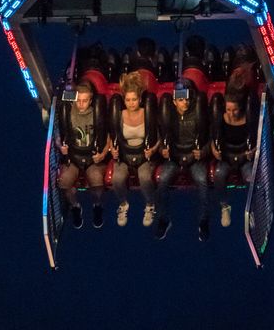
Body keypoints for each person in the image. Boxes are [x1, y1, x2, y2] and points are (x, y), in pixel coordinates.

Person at [155, 80, 210, 241]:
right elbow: (158, 137)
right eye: (180, 99)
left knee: (202, 180)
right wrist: (161, 150)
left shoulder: (199, 113)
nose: (184, 102)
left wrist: (203, 151)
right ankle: (164, 219)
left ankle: (204, 221)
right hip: (174, 157)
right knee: (163, 179)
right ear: (174, 101)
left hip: (194, 157)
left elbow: (210, 137)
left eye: (186, 98)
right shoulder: (167, 114)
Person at [57, 81, 109, 229]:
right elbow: (58, 135)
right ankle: (75, 206)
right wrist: (61, 146)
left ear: (90, 101)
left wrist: (103, 153)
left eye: (84, 101)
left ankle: (97, 205)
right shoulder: (68, 112)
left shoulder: (97, 114)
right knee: (64, 182)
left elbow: (109, 136)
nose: (81, 104)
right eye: (78, 100)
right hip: (74, 156)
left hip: (92, 157)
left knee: (97, 181)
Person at [109, 72, 159, 227]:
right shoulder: (120, 115)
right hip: (125, 155)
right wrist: (112, 149)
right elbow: (112, 136)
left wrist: (153, 150)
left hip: (144, 155)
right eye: (128, 100)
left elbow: (158, 138)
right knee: (117, 179)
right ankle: (123, 204)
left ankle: (150, 205)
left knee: (144, 177)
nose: (131, 103)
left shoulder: (147, 114)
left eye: (134, 99)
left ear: (140, 99)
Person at [210, 84, 256, 227]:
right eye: (228, 109)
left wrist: (253, 151)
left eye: (234, 110)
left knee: (250, 177)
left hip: (244, 156)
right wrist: (214, 149)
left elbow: (256, 140)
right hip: (227, 156)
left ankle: (252, 210)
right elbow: (213, 138)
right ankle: (224, 206)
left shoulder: (248, 120)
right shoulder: (221, 119)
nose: (231, 113)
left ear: (241, 108)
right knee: (218, 174)